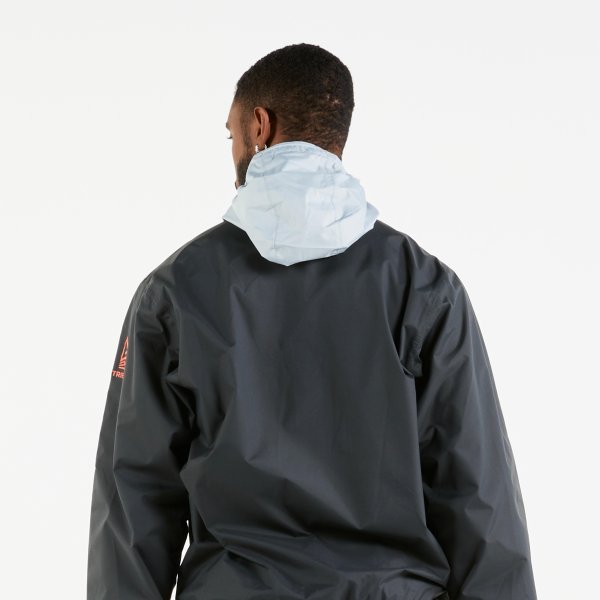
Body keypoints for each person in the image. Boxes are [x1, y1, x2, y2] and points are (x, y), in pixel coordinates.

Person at [87, 43, 538, 600]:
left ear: (259, 125)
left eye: (231, 136)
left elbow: (133, 498)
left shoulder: (174, 291)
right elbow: (479, 495)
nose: (233, 152)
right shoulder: (423, 286)